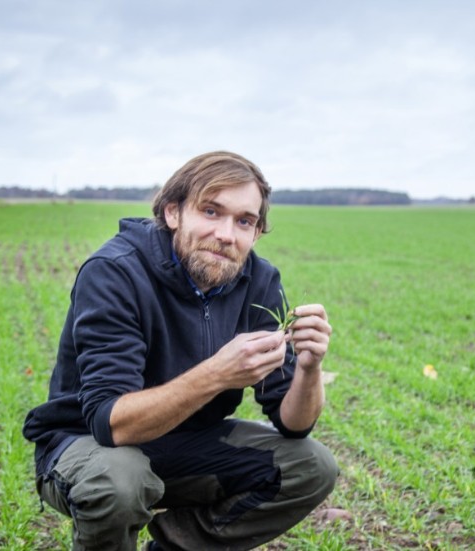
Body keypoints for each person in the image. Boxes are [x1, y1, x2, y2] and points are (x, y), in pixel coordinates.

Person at [22, 151, 338, 551]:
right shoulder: (115, 272)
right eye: (210, 211)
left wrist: (309, 368)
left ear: (256, 233)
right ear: (173, 213)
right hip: (86, 446)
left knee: (312, 466)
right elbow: (110, 423)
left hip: (185, 445)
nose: (226, 234)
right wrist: (219, 373)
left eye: (244, 221)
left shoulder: (259, 281)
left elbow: (294, 425)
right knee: (120, 480)